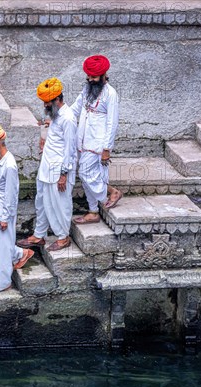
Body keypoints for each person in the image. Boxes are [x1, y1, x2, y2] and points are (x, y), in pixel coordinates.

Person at [17, 78, 77, 252]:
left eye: (47, 103)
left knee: (60, 204)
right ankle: (39, 235)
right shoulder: (57, 116)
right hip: (46, 166)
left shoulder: (68, 118)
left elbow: (70, 149)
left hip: (59, 170)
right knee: (41, 200)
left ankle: (63, 237)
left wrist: (64, 174)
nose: (45, 106)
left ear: (57, 99)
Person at [0, 126, 34, 293]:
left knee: (0, 249)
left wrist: (5, 218)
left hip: (1, 212)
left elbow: (11, 194)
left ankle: (2, 283)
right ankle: (20, 254)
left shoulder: (10, 165)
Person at [71, 54, 123, 224]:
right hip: (83, 141)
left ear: (103, 75)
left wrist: (107, 149)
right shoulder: (87, 89)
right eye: (89, 76)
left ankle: (112, 191)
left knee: (85, 173)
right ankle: (93, 211)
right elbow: (75, 109)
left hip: (98, 143)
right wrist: (56, 118)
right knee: (88, 178)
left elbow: (112, 123)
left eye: (93, 76)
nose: (90, 79)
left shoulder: (111, 94)